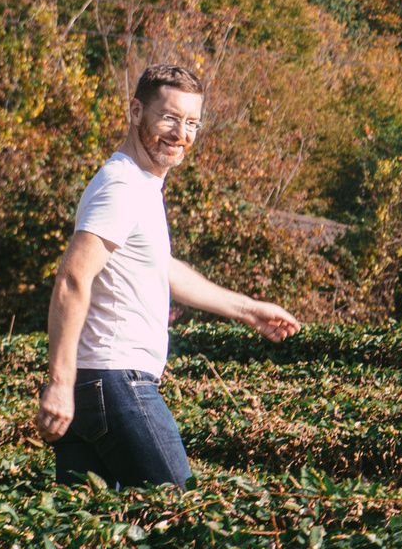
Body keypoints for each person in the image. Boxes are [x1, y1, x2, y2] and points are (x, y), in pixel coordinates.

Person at [35, 64, 304, 489]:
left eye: (192, 122)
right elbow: (72, 278)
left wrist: (248, 310)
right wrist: (58, 383)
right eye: (170, 118)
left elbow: (161, 268)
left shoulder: (140, 186)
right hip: (117, 381)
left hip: (99, 385)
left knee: (98, 534)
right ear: (137, 111)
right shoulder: (121, 185)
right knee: (182, 512)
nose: (181, 133)